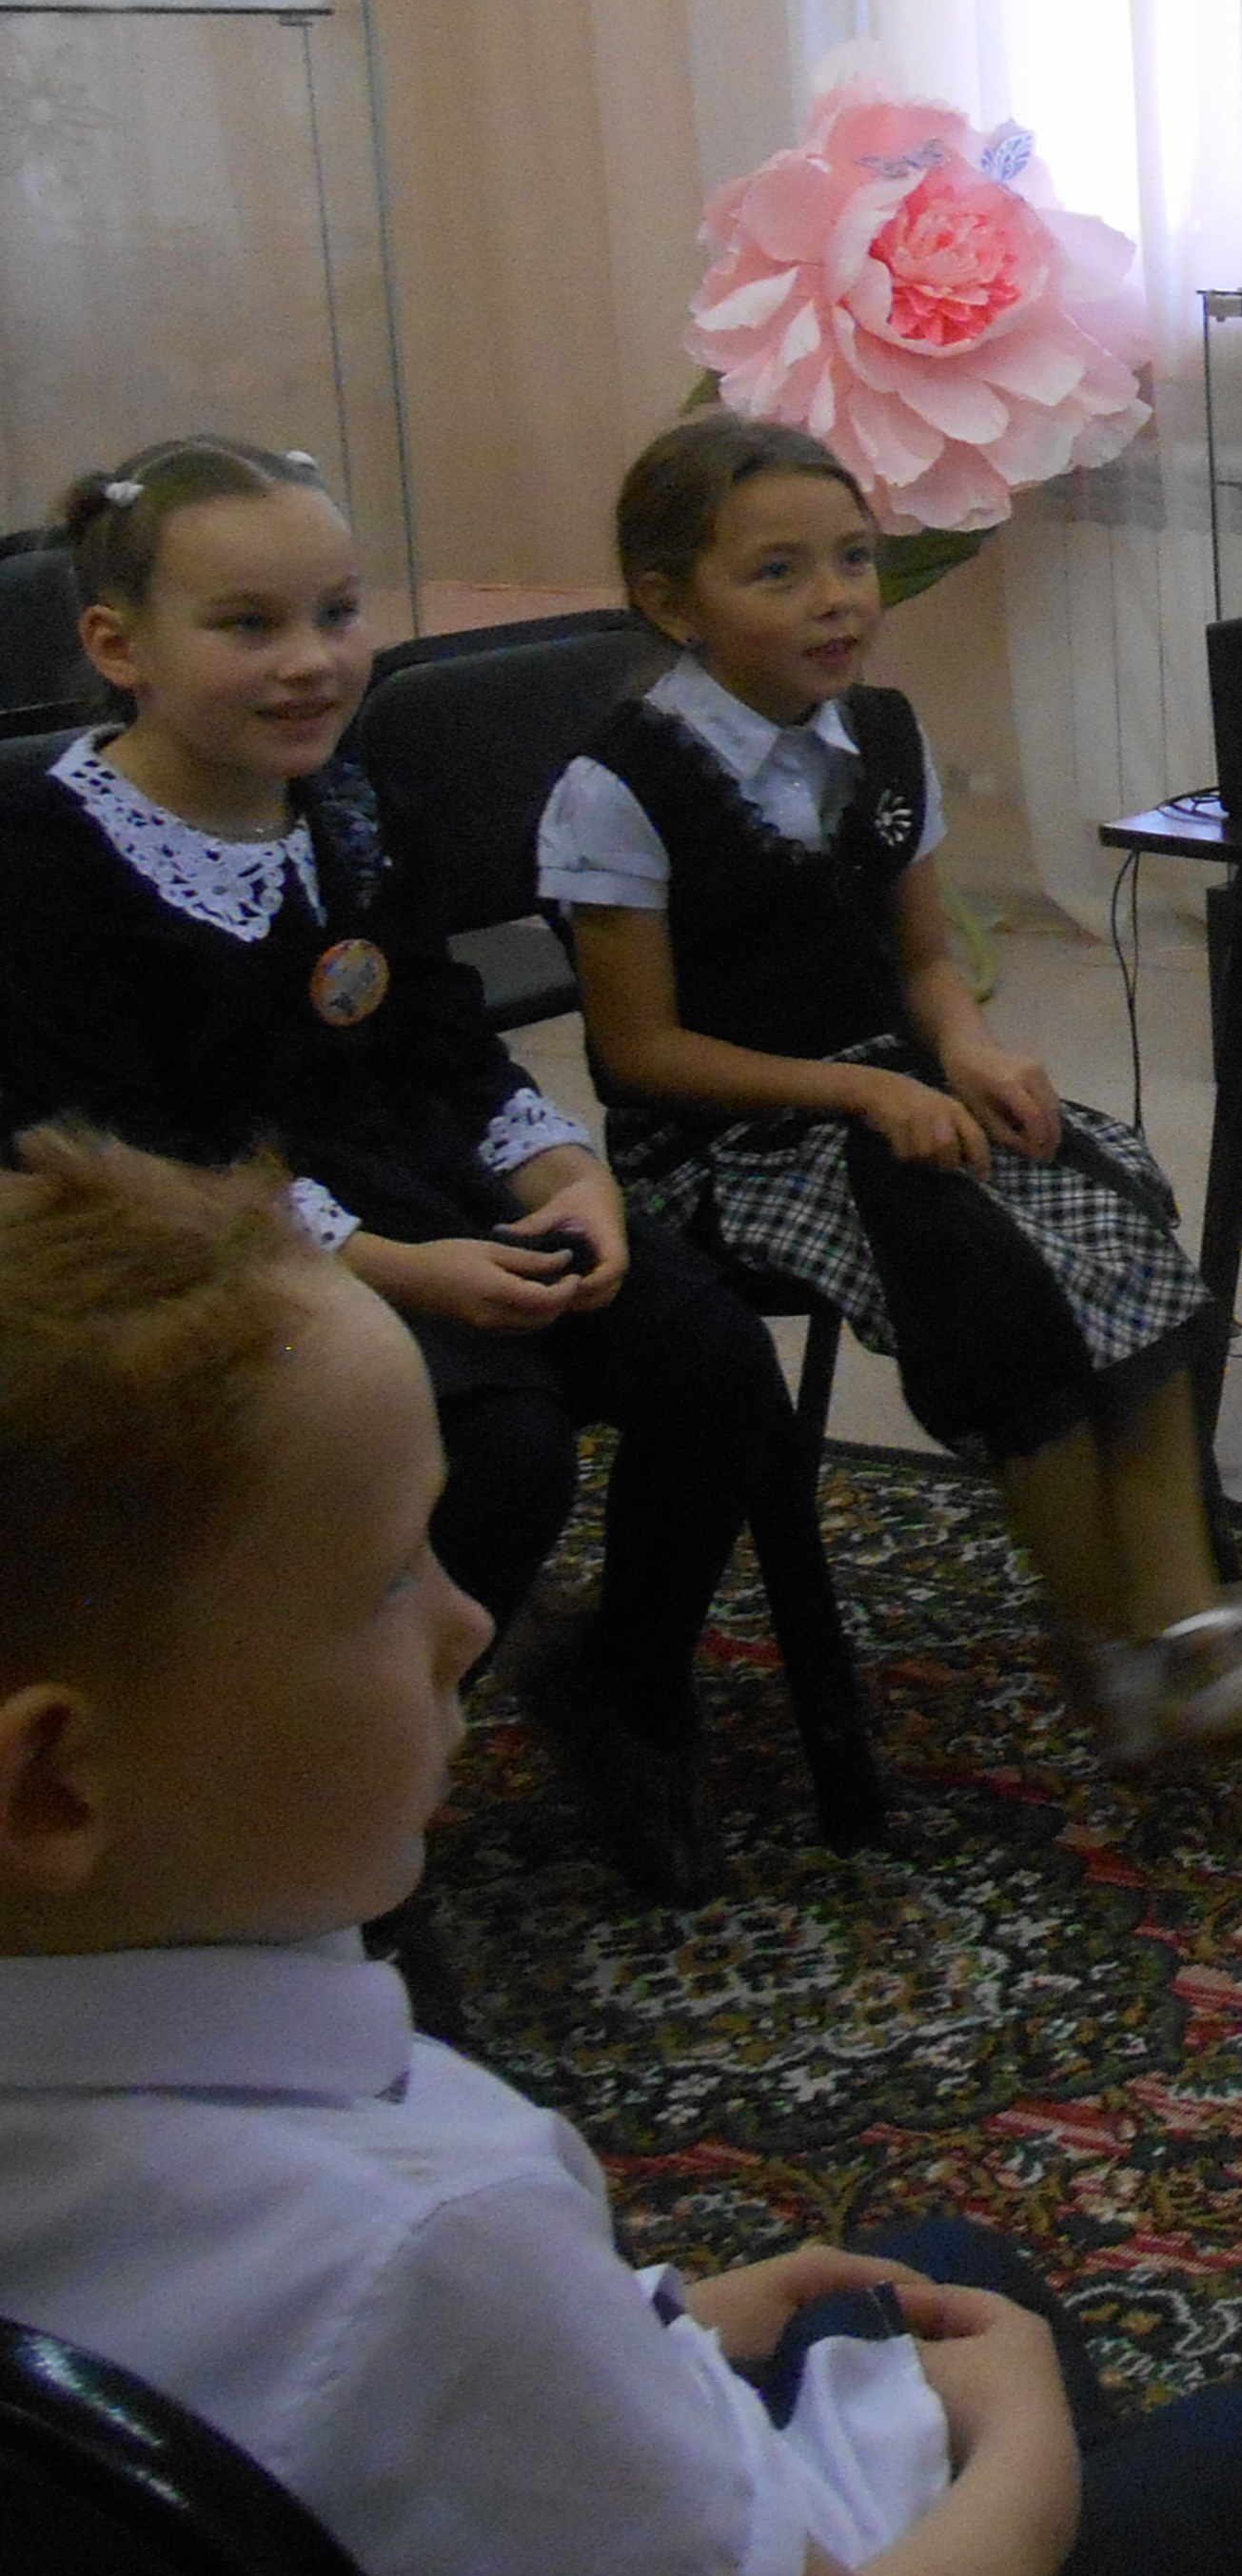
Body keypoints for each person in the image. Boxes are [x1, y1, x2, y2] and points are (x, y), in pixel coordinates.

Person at [0, 1123, 1242, 2576]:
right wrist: (1022, 2436)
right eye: (389, 1582)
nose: (471, 1624)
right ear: (55, 1789)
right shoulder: (434, 2251)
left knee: (939, 2262)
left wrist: (648, 2322)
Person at [0, 436, 787, 1904]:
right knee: (498, 1449)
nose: (311, 662)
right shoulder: (46, 858)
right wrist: (392, 1270)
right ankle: (350, 1777)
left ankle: (625, 1685)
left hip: (405, 1199)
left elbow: (443, 1040)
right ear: (119, 648)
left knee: (709, 1356)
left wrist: (561, 1172)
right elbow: (131, 1148)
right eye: (248, 626)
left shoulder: (353, 810)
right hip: (190, 1250)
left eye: (338, 613)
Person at [547, 412, 1242, 1772]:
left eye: (853, 559)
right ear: (673, 603)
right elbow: (640, 1054)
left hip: (889, 1092)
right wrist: (858, 1098)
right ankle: (1123, 1644)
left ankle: (1184, 1620)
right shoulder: (619, 786)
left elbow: (923, 958)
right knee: (987, 1271)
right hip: (727, 1144)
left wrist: (966, 1048)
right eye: (780, 572)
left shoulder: (884, 734)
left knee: (1110, 1204)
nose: (836, 598)